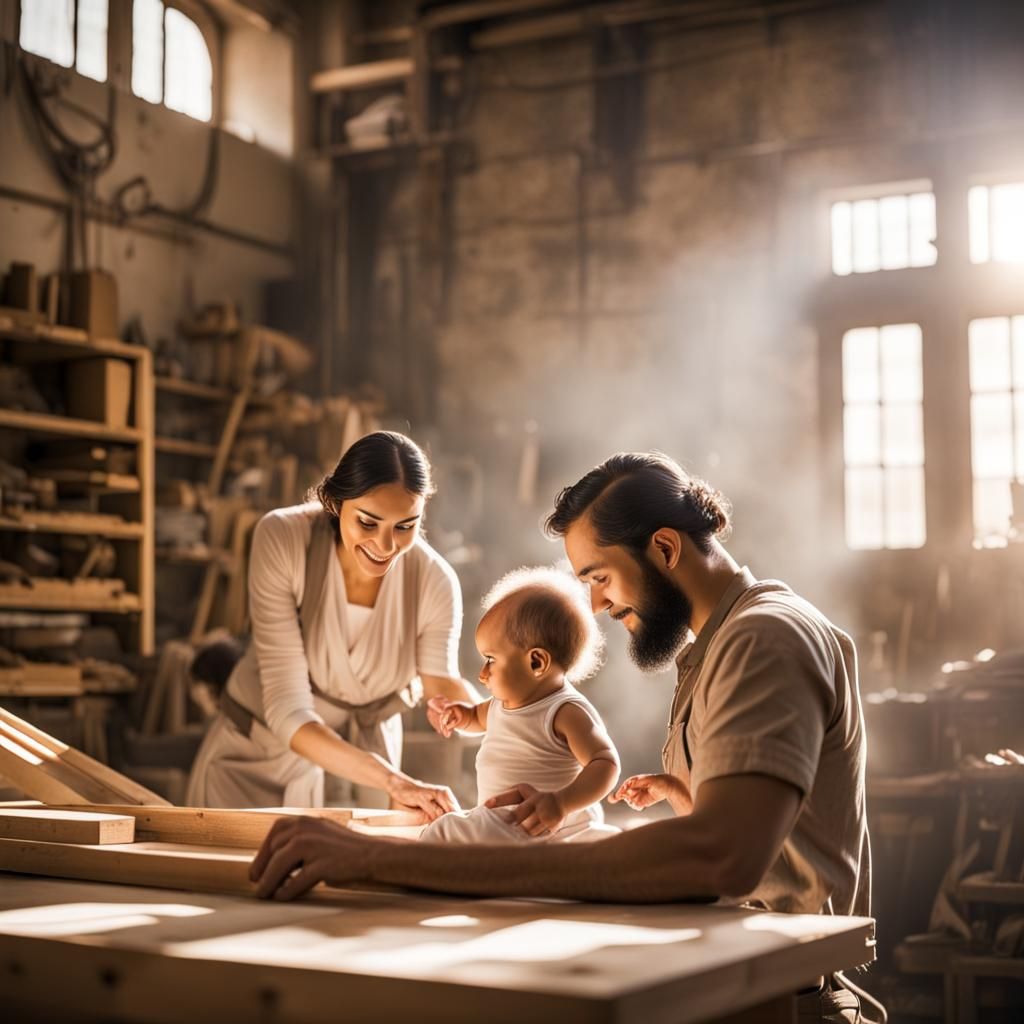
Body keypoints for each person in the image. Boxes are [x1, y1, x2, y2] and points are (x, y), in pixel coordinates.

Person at [249, 452, 870, 1022]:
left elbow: (722, 857)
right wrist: (679, 800)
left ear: (663, 548)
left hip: (782, 1002)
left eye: (600, 577)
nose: (596, 606)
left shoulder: (764, 638)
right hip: (741, 975)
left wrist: (383, 858)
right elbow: (748, 835)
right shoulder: (718, 647)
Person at [186, 431, 478, 819]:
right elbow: (288, 710)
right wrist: (393, 781)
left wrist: (508, 711)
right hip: (256, 759)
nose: (386, 546)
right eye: (368, 523)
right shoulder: (284, 539)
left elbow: (441, 686)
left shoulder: (434, 582)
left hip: (368, 770)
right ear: (336, 502)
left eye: (405, 527)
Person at [422, 566, 620, 844]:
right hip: (505, 823)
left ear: (536, 662)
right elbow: (476, 719)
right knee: (463, 828)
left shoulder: (564, 711)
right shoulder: (499, 705)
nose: (482, 674)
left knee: (446, 831)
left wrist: (561, 803)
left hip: (548, 822)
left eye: (491, 659)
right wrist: (459, 715)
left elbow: (605, 763)